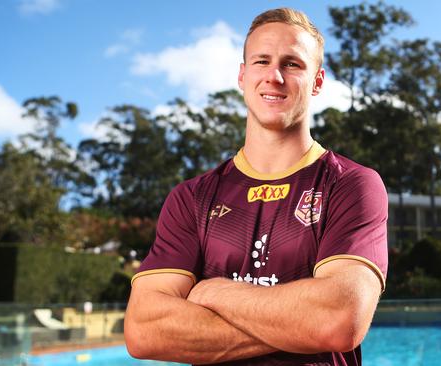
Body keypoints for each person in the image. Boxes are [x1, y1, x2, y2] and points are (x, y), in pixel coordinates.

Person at [124, 7, 388, 366]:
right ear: (242, 75)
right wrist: (298, 324)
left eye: (292, 64)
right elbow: (144, 330)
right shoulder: (192, 199)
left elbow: (340, 320)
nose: (274, 76)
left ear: (318, 82)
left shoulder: (351, 185)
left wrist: (213, 292)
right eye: (262, 61)